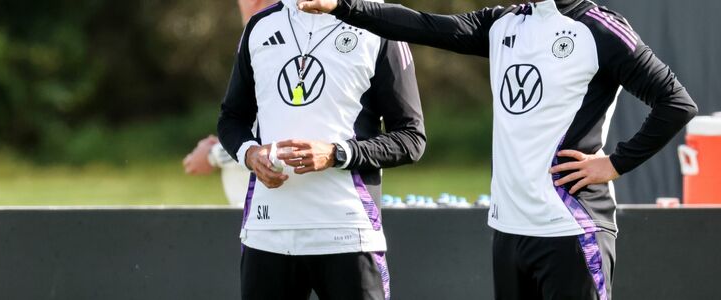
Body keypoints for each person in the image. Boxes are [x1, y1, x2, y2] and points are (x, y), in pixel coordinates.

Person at [296, 0, 697, 299]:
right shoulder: (504, 22)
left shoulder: (599, 28)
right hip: (509, 232)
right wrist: (341, 7)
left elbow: (676, 103)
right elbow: (424, 26)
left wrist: (614, 163)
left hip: (572, 228)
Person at [217, 0, 426, 298]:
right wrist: (251, 154)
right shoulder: (259, 25)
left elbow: (410, 138)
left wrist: (336, 154)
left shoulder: (380, 25)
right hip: (267, 235)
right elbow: (231, 118)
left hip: (349, 236)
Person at [182, 0, 280, 207]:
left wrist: (212, 156)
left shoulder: (278, 49)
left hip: (276, 211)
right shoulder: (255, 42)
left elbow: (272, 140)